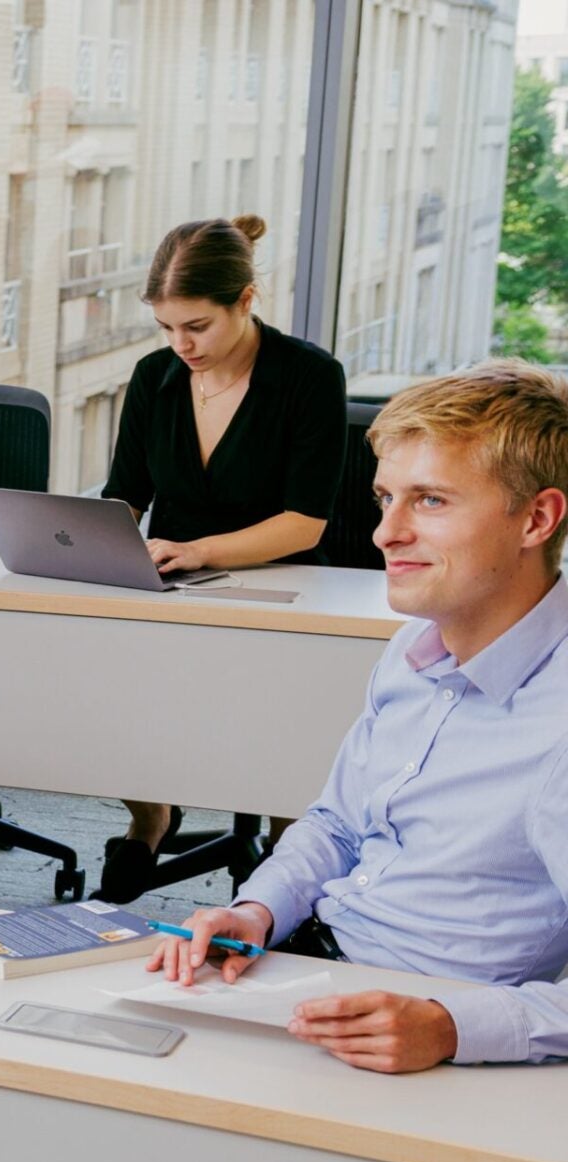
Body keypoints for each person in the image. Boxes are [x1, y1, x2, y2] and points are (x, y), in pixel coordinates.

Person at [147, 360, 568, 1071]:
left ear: (536, 518)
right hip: (311, 961)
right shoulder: (414, 650)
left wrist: (452, 1029)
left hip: (421, 1021)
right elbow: (339, 824)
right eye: (384, 498)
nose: (383, 533)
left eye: (430, 501)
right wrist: (255, 914)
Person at [97, 215, 348, 902]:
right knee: (101, 676)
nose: (181, 346)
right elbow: (126, 495)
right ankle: (151, 817)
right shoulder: (155, 378)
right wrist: (93, 542)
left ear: (246, 299)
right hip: (173, 583)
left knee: (279, 730)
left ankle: (287, 856)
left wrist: (197, 550)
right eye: (167, 329)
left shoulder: (309, 377)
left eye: (197, 327)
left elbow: (305, 522)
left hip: (284, 586)